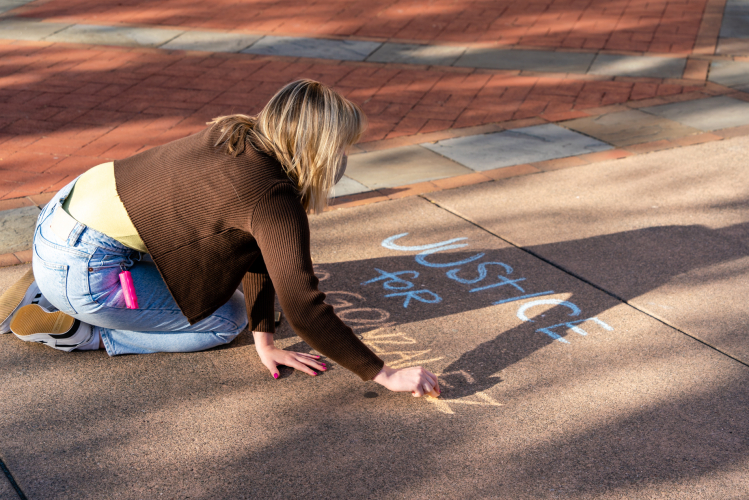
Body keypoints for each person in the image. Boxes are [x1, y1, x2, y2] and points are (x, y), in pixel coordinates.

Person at [0, 79, 440, 398]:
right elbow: (305, 308)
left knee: (226, 289)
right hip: (85, 265)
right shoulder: (273, 195)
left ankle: (45, 283)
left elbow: (252, 253)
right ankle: (79, 330)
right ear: (319, 151)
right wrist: (384, 374)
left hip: (61, 215)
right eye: (343, 147)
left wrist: (265, 336)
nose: (345, 157)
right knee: (226, 320)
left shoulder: (236, 132)